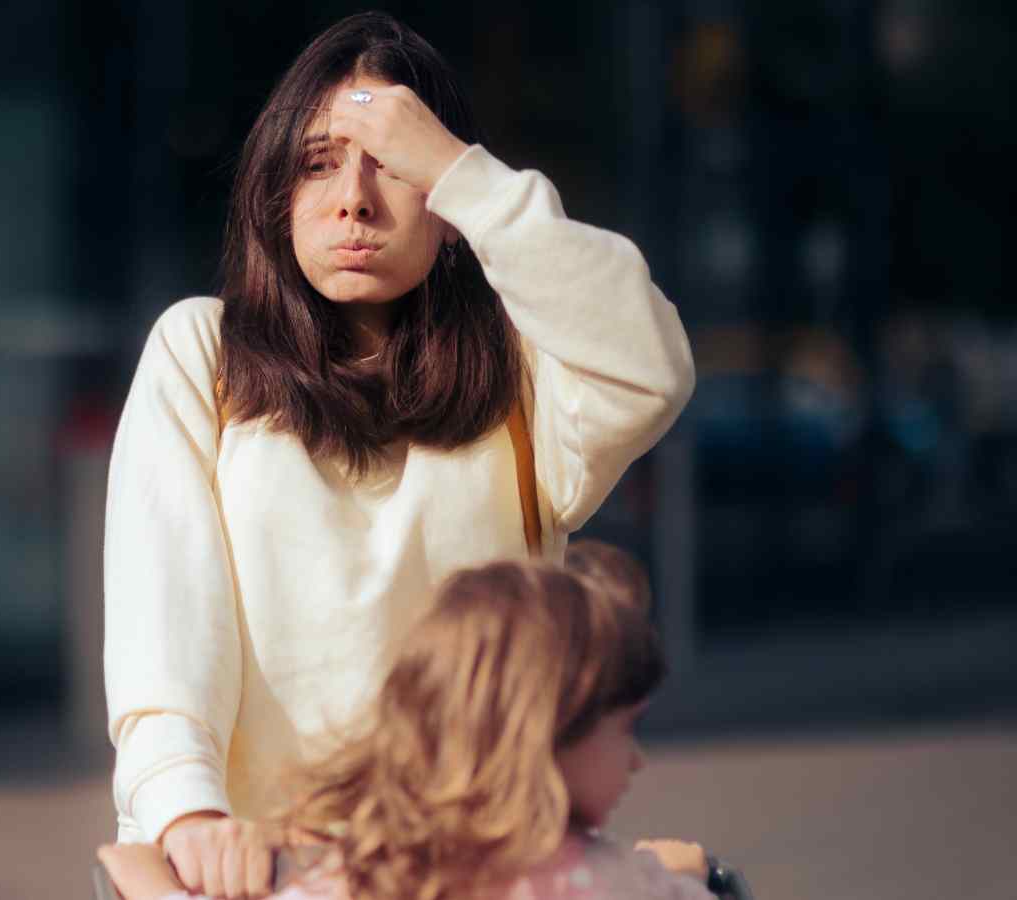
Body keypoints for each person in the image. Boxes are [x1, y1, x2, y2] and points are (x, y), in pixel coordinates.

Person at [103, 11, 695, 898]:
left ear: (449, 211)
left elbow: (650, 369)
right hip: (260, 872)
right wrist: (188, 816)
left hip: (481, 867)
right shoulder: (204, 354)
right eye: (319, 163)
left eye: (394, 165)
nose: (354, 199)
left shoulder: (522, 374)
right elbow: (164, 627)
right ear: (276, 192)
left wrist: (465, 174)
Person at [98, 542, 713, 900]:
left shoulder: (365, 877)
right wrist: (681, 869)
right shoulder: (609, 883)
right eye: (625, 729)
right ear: (546, 735)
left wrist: (151, 881)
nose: (637, 760)